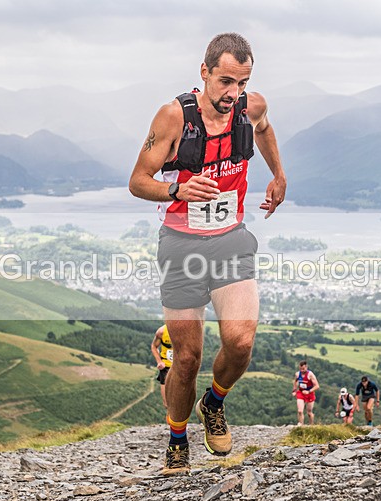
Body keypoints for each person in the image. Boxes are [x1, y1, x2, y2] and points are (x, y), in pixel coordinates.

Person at [128, 33, 287, 476]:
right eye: (224, 81)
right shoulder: (173, 117)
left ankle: (213, 402)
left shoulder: (249, 107)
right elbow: (138, 180)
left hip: (230, 237)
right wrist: (177, 187)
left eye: (242, 82)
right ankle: (177, 436)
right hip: (181, 243)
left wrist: (279, 175)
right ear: (204, 73)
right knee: (187, 358)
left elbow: (265, 128)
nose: (232, 93)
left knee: (240, 342)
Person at [151, 325, 174, 408]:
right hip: (166, 367)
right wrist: (159, 362)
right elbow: (154, 346)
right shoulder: (161, 332)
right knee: (167, 404)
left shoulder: (186, 331)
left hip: (180, 368)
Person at [292, 361, 319, 426]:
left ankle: (311, 425)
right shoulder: (298, 374)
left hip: (309, 393)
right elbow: (295, 381)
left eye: (303, 369)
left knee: (309, 413)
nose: (301, 370)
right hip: (301, 393)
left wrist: (309, 391)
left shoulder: (310, 374)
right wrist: (294, 390)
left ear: (306, 367)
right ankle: (301, 425)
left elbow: (317, 386)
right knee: (300, 411)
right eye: (300, 369)